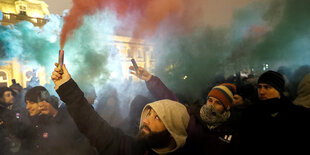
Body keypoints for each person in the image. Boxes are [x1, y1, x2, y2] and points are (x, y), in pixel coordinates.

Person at [51, 63, 190, 155]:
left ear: (173, 129)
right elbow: (94, 126)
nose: (146, 120)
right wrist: (66, 86)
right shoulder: (134, 149)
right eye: (149, 113)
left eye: (157, 118)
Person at [130, 66, 241, 154]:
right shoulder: (194, 115)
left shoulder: (231, 132)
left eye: (218, 103)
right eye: (210, 100)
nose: (211, 105)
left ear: (227, 107)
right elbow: (172, 103)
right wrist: (150, 79)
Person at [239, 70, 310, 154]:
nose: (261, 92)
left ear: (278, 89)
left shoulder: (299, 115)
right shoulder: (250, 114)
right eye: (259, 87)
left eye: (267, 87)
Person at [24, 86, 95, 155]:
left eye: (31, 103)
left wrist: (55, 114)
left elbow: (73, 139)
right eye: (26, 103)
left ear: (44, 102)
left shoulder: (65, 112)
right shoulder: (34, 119)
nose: (27, 107)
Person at [0, 87, 29, 154]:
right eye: (8, 95)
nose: (12, 97)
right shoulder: (4, 112)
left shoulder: (13, 109)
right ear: (1, 99)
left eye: (12, 94)